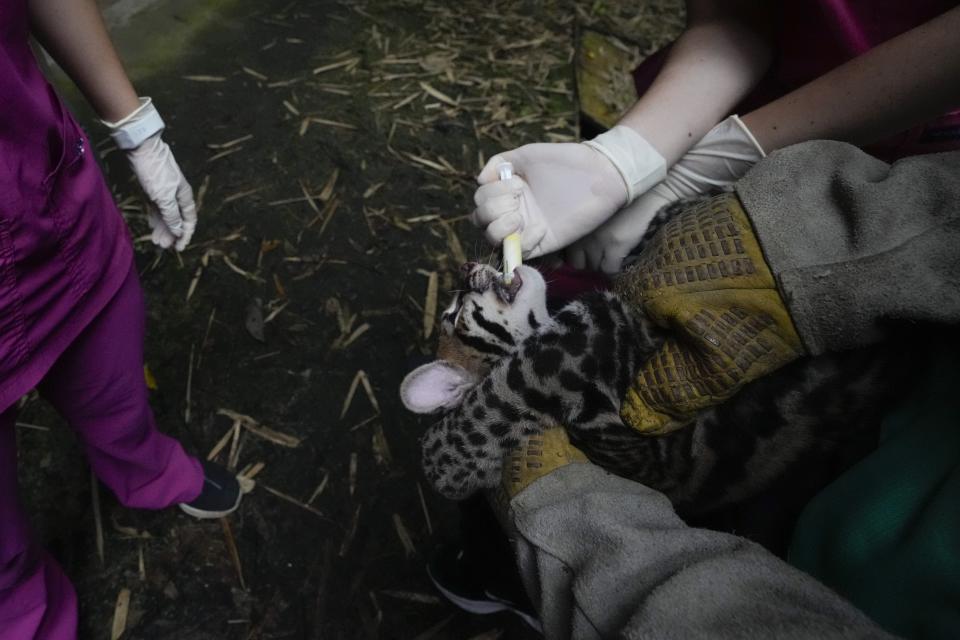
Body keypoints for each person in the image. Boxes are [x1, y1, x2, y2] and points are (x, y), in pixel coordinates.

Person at [438, 141, 960, 639]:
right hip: (871, 384)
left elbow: (598, 328)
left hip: (798, 523)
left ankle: (508, 583)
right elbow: (598, 329)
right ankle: (499, 578)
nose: (468, 273)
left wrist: (547, 503)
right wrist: (821, 238)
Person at [0, 0, 242, 637]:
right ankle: (27, 614)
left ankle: (148, 470)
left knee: (112, 371)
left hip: (42, 196)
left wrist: (139, 130)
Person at [472, 1, 960, 275]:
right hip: (722, 100)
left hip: (890, 162)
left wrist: (707, 167)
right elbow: (734, 19)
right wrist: (623, 159)